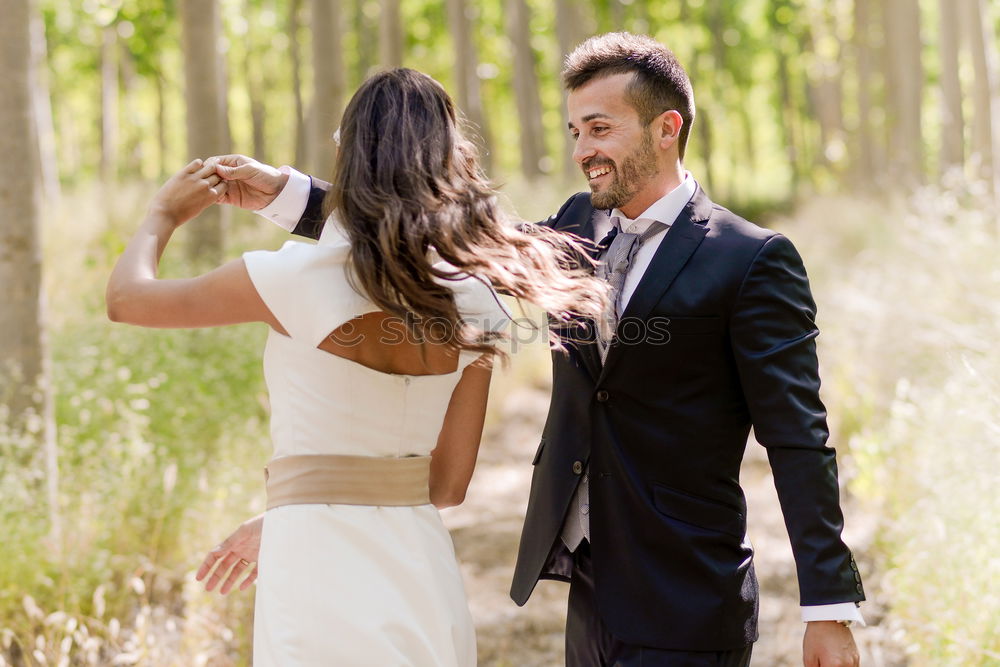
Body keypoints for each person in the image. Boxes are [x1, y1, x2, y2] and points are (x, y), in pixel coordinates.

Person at [215, 33, 866, 667]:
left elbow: (799, 438)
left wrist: (829, 607)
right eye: (575, 130)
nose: (584, 148)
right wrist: (287, 194)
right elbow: (432, 238)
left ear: (666, 128)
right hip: (591, 591)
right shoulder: (577, 225)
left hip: (688, 591)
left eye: (601, 128)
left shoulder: (751, 261)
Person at [106, 68, 606, 666]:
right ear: (451, 162)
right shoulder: (477, 302)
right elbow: (447, 484)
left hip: (314, 565)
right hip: (418, 568)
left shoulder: (288, 279)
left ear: (349, 158)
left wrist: (162, 214)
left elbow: (126, 300)